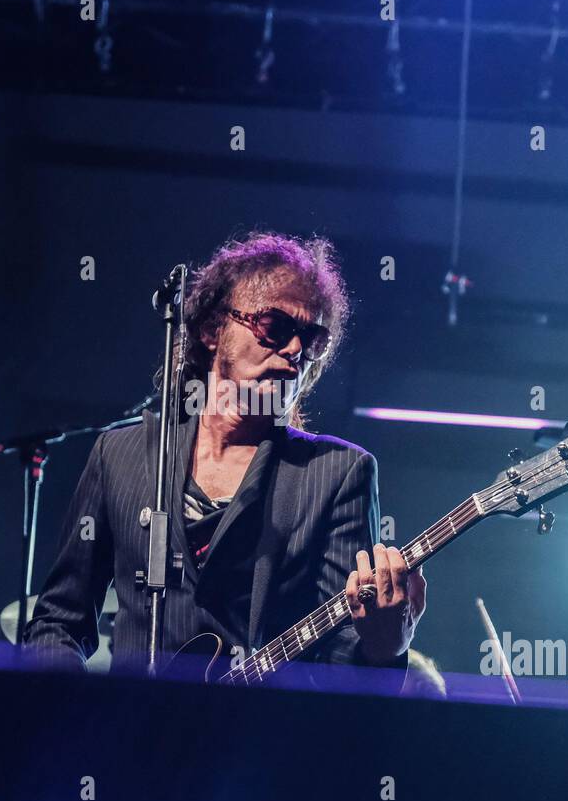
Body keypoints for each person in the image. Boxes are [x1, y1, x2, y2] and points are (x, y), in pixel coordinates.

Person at [21, 230, 425, 690]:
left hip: (256, 747)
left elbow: (338, 665)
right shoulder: (120, 455)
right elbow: (58, 623)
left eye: (311, 340)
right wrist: (71, 720)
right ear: (213, 330)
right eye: (275, 327)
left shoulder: (337, 473)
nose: (295, 351)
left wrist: (385, 647)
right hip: (126, 744)